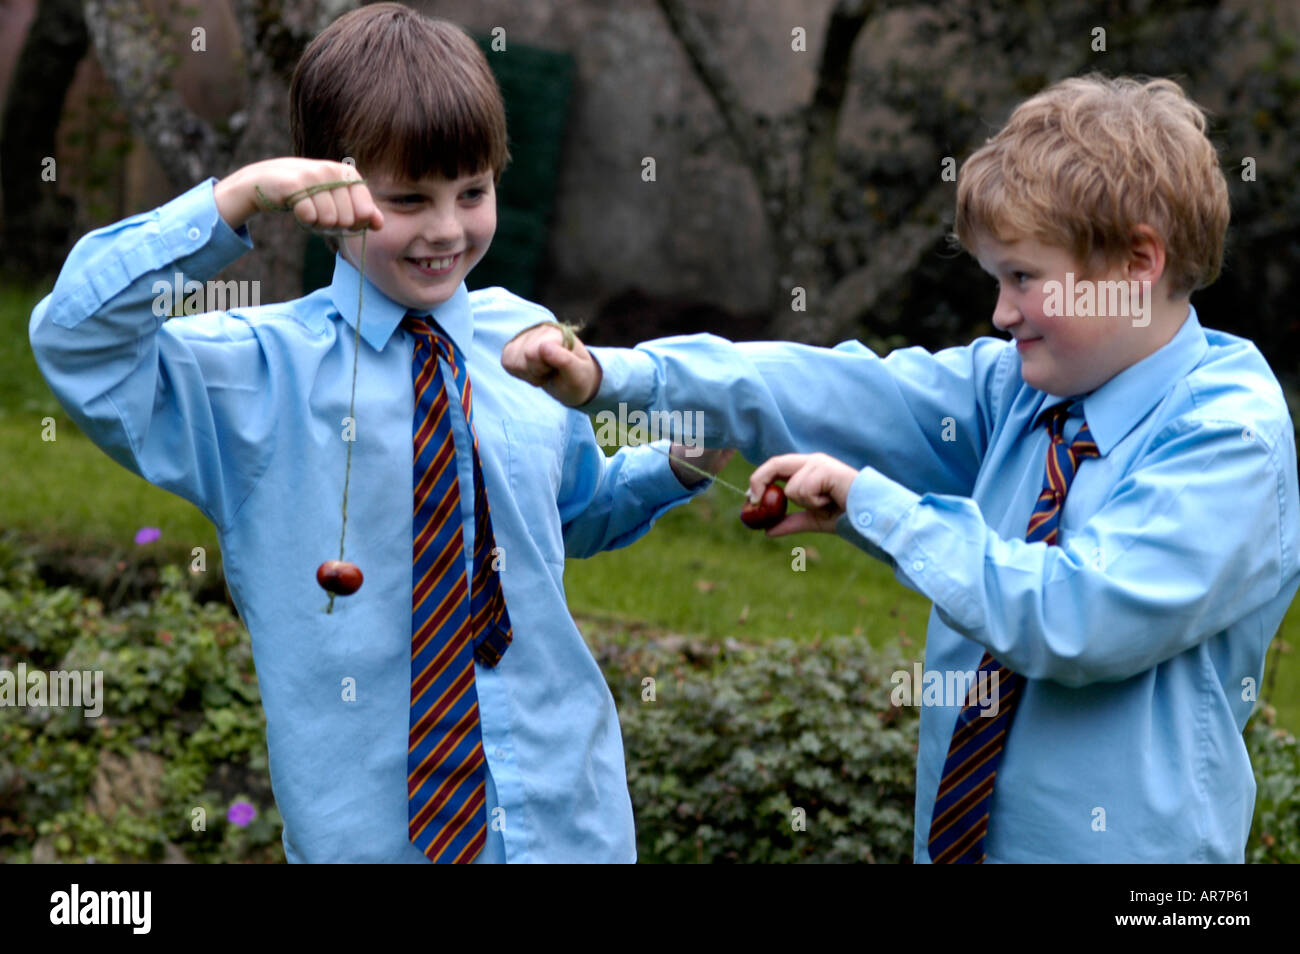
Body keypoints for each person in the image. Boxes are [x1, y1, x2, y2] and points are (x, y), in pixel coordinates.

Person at [504, 74, 1300, 862]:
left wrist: (871, 505)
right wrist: (622, 379)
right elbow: (839, 390)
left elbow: (1074, 615)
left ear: (1136, 265)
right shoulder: (1023, 389)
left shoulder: (1228, 441)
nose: (1002, 312)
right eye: (998, 280)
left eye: (1024, 278)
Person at [29, 4, 728, 863]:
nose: (445, 229)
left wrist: (680, 465)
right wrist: (235, 200)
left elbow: (568, 518)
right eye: (408, 199)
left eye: (473, 192)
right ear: (329, 189)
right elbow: (75, 337)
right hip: (372, 837)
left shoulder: (528, 342)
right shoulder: (255, 377)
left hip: (569, 823)